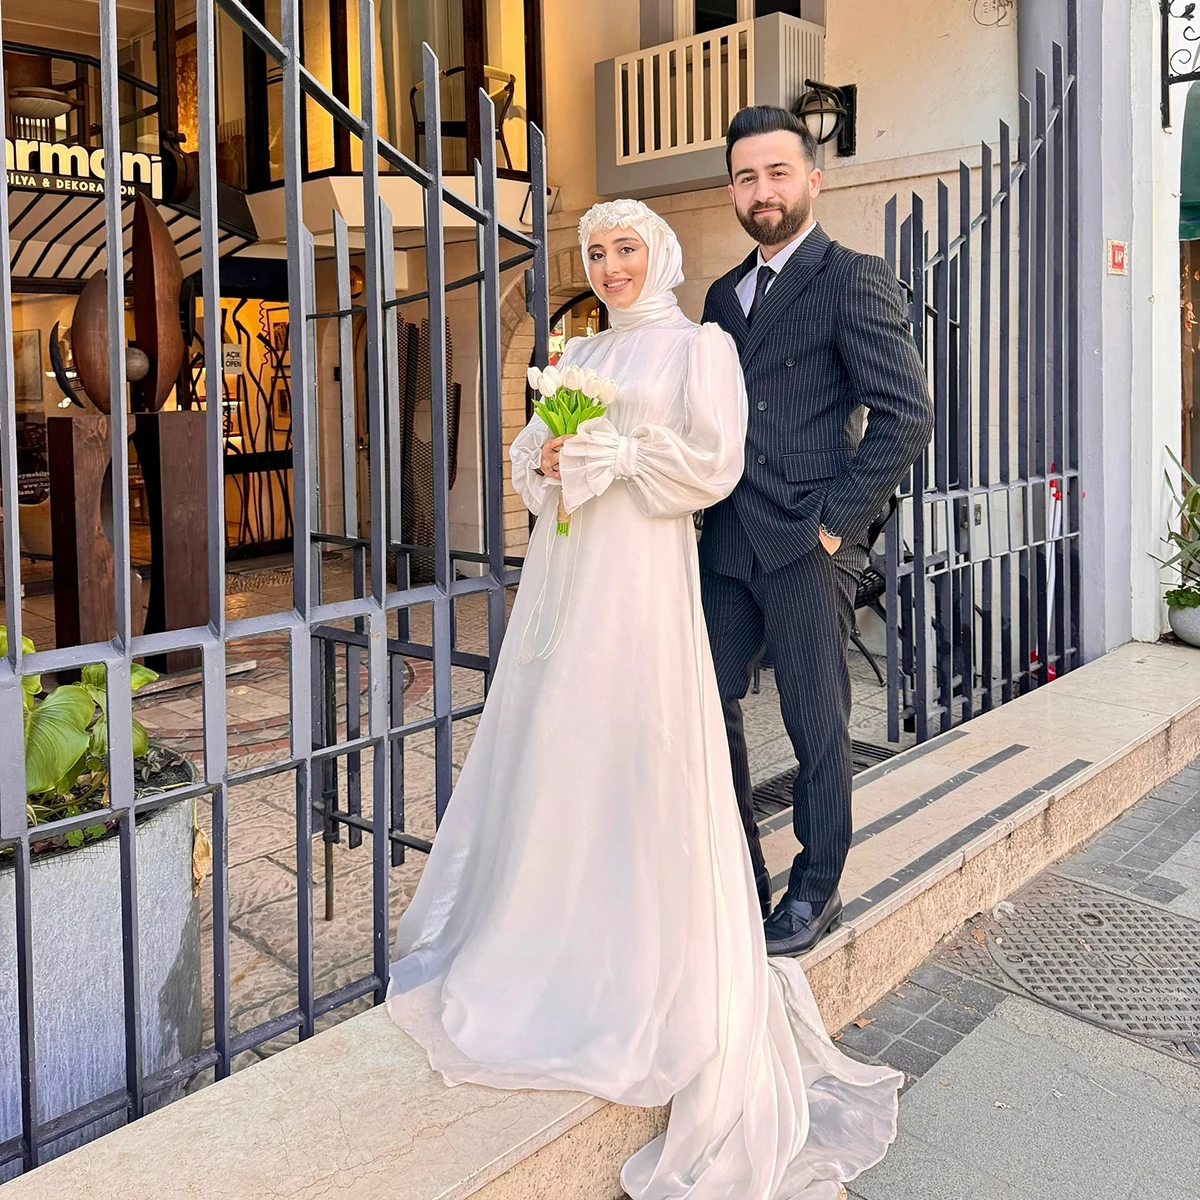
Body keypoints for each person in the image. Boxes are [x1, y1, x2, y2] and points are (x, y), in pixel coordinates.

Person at [386, 197, 902, 1200]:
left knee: (636, 756)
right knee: (559, 759)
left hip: (642, 595)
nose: (611, 265)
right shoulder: (579, 358)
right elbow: (524, 462)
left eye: (625, 248)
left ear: (658, 254)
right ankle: (541, 941)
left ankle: (639, 964)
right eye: (596, 252)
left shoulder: (696, 350)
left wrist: (629, 455)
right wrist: (545, 461)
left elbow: (715, 462)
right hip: (566, 591)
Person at [700, 107, 934, 956]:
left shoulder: (852, 277)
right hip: (726, 542)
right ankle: (732, 870)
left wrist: (836, 531)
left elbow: (905, 418)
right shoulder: (723, 297)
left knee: (815, 722)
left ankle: (815, 886)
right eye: (746, 176)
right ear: (733, 188)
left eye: (777, 172)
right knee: (703, 707)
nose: (762, 191)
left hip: (806, 545)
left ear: (812, 179)